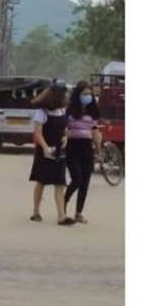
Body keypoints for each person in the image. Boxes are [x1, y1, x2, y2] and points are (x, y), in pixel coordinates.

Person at [28, 84, 70, 224]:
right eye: (64, 95)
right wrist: (45, 147)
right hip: (44, 151)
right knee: (41, 182)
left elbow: (65, 129)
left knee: (60, 183)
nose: (66, 97)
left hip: (59, 151)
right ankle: (36, 211)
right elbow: (38, 134)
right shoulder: (42, 113)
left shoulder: (63, 111)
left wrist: (65, 138)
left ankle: (61, 216)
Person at [63, 81, 104, 225]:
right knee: (77, 178)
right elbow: (63, 129)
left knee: (85, 182)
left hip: (87, 148)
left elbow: (95, 133)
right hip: (72, 147)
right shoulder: (69, 110)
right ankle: (63, 203)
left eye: (89, 94)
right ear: (77, 95)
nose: (88, 96)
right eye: (84, 94)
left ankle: (78, 212)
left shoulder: (93, 112)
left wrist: (98, 152)